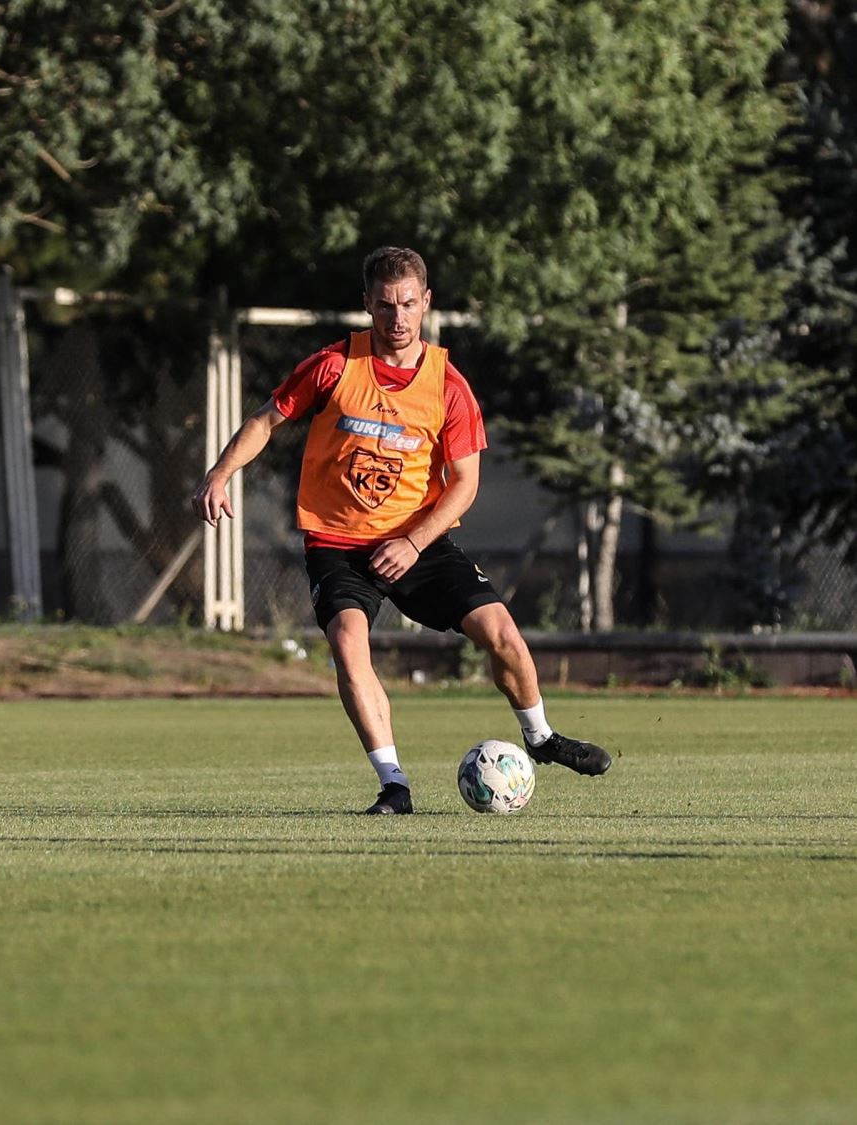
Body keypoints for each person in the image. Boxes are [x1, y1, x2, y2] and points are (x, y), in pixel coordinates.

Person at [191, 246, 611, 814]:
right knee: (348, 644)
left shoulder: (448, 385)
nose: (397, 317)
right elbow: (266, 420)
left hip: (419, 540)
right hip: (338, 543)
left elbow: (465, 483)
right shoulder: (334, 366)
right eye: (386, 305)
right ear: (367, 303)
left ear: (426, 302)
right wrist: (220, 474)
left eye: (408, 304)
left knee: (502, 632)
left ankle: (540, 737)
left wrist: (413, 542)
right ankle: (394, 785)